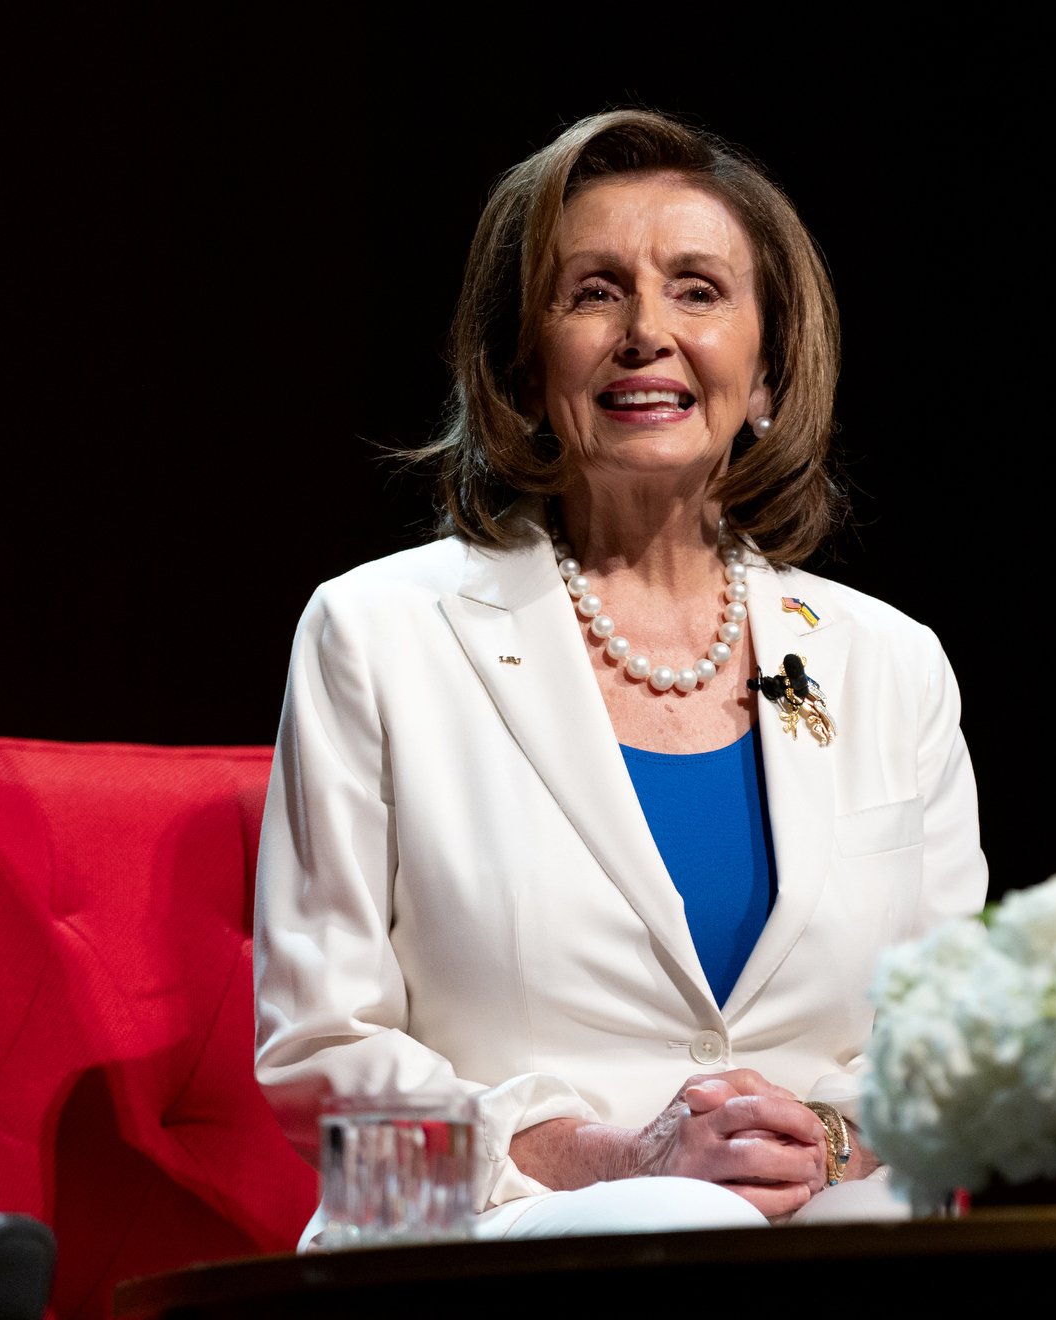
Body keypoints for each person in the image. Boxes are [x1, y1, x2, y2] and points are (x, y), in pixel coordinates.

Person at [252, 107, 988, 1243]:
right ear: (520, 361)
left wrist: (829, 1139)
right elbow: (316, 1067)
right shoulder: (374, 633)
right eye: (593, 290)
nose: (646, 330)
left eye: (697, 289)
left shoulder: (891, 664)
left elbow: (957, 1049)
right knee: (689, 1231)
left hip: (822, 1222)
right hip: (468, 1232)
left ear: (765, 374)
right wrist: (607, 1162)